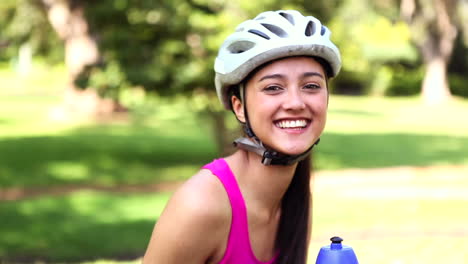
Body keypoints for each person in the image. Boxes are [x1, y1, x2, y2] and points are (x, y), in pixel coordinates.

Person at [143, 9, 341, 264]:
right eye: (273, 88)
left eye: (311, 86)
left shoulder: (293, 194)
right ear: (239, 107)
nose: (295, 102)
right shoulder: (201, 205)